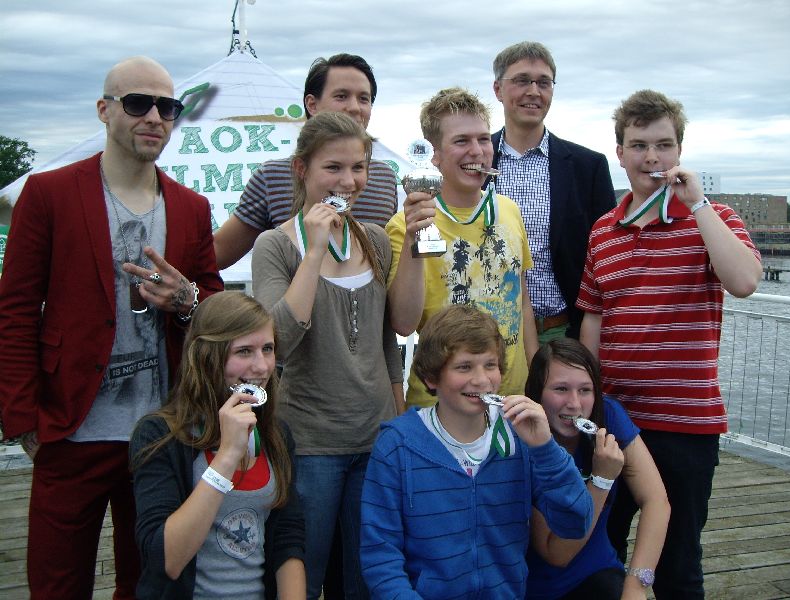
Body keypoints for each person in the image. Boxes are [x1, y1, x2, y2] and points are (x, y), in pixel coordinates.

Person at [0, 56, 223, 599]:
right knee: (56, 583)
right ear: (104, 110)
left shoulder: (192, 207)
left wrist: (187, 300)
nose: (154, 118)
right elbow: (16, 311)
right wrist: (23, 421)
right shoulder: (49, 194)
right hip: (70, 428)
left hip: (161, 431)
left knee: (148, 582)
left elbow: (215, 310)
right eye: (138, 103)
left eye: (167, 107)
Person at [578, 89, 762, 597]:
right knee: (603, 554)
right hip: (617, 422)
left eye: (663, 145)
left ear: (679, 151)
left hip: (686, 424)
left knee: (680, 563)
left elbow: (745, 281)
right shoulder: (603, 231)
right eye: (639, 146)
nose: (651, 157)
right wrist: (591, 405)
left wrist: (697, 204)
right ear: (620, 153)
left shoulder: (714, 217)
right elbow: (594, 318)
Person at [251, 111, 402, 599]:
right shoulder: (275, 245)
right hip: (310, 442)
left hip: (374, 437)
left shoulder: (374, 239)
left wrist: (397, 417)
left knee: (363, 578)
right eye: (333, 168)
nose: (348, 181)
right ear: (302, 169)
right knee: (304, 571)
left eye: (358, 167)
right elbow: (276, 340)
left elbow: (389, 339)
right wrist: (314, 252)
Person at [360, 304, 592, 599]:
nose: (482, 380)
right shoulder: (397, 445)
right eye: (464, 367)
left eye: (490, 365)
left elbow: (575, 523)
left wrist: (545, 449)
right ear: (432, 377)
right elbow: (381, 557)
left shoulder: (517, 436)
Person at [129, 291, 305, 599]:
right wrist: (227, 456)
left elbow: (287, 539)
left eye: (267, 349)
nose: (262, 367)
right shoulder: (158, 435)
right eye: (244, 351)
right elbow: (166, 560)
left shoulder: (277, 435)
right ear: (207, 357)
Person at [387, 87, 537, 408]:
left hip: (512, 400)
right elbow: (403, 323)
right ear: (434, 155)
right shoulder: (404, 225)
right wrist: (414, 238)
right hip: (441, 405)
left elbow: (522, 302)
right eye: (461, 141)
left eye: (483, 139)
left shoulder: (509, 210)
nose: (476, 151)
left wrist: (537, 375)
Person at [214, 53, 398, 270]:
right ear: (312, 104)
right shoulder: (271, 176)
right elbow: (218, 254)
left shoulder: (385, 177)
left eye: (363, 99)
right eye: (341, 96)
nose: (355, 107)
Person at [490, 41, 616, 343]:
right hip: (486, 335)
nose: (533, 91)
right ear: (498, 89)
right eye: (522, 80)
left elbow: (607, 255)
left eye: (543, 82)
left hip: (561, 333)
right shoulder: (474, 161)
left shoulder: (588, 167)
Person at [525, 338, 670, 599]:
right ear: (537, 394)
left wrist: (636, 585)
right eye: (560, 389)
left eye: (585, 390)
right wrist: (601, 480)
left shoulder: (608, 416)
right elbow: (556, 554)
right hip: (536, 586)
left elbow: (656, 500)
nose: (574, 403)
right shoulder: (523, 442)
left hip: (598, 574)